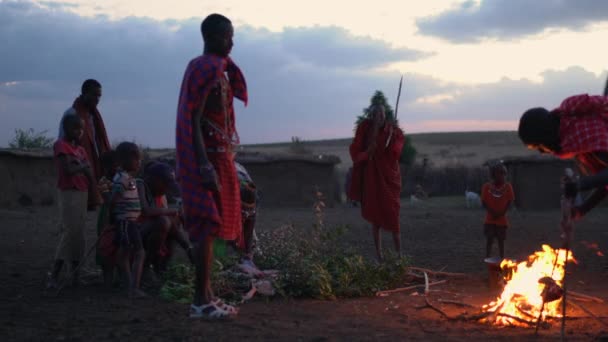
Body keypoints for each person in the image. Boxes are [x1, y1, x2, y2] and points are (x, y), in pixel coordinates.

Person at [175, 13, 247, 319]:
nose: (232, 41)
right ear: (211, 37)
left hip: (221, 157)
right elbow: (193, 118)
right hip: (206, 160)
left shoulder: (220, 71)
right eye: (227, 36)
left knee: (214, 227)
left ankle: (208, 295)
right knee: (206, 225)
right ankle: (199, 301)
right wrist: (203, 165)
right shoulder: (203, 69)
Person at [518, 94, 608, 226]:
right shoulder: (579, 146)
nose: (542, 152)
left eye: (538, 146)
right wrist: (581, 210)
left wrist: (580, 184)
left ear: (546, 135)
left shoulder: (586, 134)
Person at [348, 104, 405, 262]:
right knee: (375, 218)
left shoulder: (392, 130)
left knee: (393, 215)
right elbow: (355, 152)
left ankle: (399, 255)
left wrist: (393, 138)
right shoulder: (365, 129)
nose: (379, 117)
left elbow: (396, 151)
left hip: (388, 178)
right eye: (375, 115)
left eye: (381, 114)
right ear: (372, 116)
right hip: (372, 178)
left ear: (384, 115)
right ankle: (379, 255)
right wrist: (367, 153)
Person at [46, 114, 94, 289]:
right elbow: (68, 170)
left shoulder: (80, 150)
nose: (80, 132)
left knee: (79, 234)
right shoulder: (61, 146)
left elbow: (87, 173)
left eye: (81, 129)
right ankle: (54, 275)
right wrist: (82, 167)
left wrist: (94, 188)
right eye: (76, 128)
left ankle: (75, 274)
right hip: (69, 193)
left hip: (82, 192)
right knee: (69, 233)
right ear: (66, 129)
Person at [59, 79, 111, 210]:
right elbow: (63, 141)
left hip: (92, 162)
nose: (97, 99)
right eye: (94, 95)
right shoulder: (71, 114)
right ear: (84, 93)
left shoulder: (93, 116)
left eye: (99, 96)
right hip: (77, 164)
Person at [136, 161, 193, 276]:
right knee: (164, 221)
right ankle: (146, 267)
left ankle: (162, 265)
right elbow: (146, 211)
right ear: (155, 180)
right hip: (133, 231)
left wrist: (188, 247)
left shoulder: (160, 195)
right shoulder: (140, 184)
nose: (166, 189)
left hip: (146, 230)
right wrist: (174, 211)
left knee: (173, 221)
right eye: (165, 184)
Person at [110, 142, 146, 298]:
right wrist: (113, 219)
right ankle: (133, 287)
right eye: (135, 159)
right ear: (122, 161)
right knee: (139, 252)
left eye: (139, 159)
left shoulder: (128, 178)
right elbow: (114, 200)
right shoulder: (122, 179)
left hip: (130, 222)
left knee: (124, 254)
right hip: (126, 222)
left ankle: (129, 284)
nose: (139, 162)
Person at [480, 162, 514, 259]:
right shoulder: (486, 187)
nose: (502, 177)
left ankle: (502, 258)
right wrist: (492, 212)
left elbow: (509, 201)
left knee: (501, 240)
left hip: (502, 220)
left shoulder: (508, 187)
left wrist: (502, 213)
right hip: (489, 219)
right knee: (489, 239)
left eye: (504, 174)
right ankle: (487, 257)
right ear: (493, 175)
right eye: (500, 174)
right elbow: (484, 202)